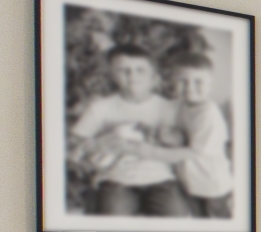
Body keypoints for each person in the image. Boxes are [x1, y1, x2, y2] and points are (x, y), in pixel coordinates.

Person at [104, 49, 236, 218]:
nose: (190, 87)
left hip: (212, 185)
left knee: (219, 225)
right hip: (190, 183)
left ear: (211, 84)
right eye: (182, 81)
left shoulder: (208, 113)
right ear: (172, 83)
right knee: (196, 223)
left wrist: (151, 152)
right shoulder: (179, 105)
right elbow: (177, 134)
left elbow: (193, 152)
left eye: (198, 81)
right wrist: (148, 129)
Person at [69, 44, 187, 216]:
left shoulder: (168, 107)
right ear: (112, 75)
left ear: (154, 77)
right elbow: (76, 139)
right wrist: (101, 143)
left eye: (140, 70)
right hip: (116, 178)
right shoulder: (102, 107)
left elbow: (183, 144)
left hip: (160, 177)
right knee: (112, 218)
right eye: (123, 70)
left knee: (177, 218)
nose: (132, 76)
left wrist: (165, 137)